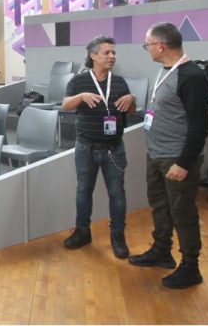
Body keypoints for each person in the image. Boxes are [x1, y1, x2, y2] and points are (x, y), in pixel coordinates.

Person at [129, 22, 208, 289]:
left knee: (183, 211)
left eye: (148, 44)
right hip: (157, 154)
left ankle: (190, 267)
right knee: (160, 206)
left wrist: (184, 163)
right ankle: (162, 250)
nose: (147, 49)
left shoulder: (192, 76)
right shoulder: (164, 70)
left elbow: (199, 126)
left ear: (160, 46)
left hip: (177, 158)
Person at [61, 35, 135, 258]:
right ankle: (83, 231)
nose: (112, 56)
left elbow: (130, 111)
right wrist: (82, 97)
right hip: (85, 147)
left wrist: (132, 99)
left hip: (114, 148)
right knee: (84, 190)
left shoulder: (120, 82)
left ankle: (118, 235)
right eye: (107, 53)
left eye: (114, 53)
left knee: (117, 193)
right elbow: (65, 106)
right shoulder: (78, 81)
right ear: (93, 56)